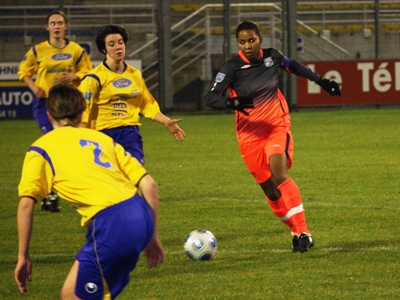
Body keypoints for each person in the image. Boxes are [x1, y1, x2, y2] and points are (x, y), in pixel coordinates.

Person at [15, 83, 166, 299]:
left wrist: (22, 256)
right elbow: (149, 185)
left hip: (112, 224)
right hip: (140, 213)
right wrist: (151, 235)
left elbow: (26, 204)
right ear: (81, 113)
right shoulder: (103, 139)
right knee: (71, 294)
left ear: (49, 115)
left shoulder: (41, 148)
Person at [204, 20, 341, 253]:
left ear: (260, 39)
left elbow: (295, 66)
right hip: (249, 136)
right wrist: (231, 102)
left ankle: (304, 232)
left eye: (251, 40)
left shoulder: (272, 57)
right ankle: (295, 231)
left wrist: (321, 81)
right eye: (242, 42)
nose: (247, 45)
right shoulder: (231, 67)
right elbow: (210, 98)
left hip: (276, 126)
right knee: (270, 191)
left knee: (279, 172)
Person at [18, 10, 93, 212]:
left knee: (68, 145)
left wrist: (75, 76)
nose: (57, 26)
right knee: (53, 143)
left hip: (68, 102)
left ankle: (63, 191)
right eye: (53, 23)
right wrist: (33, 87)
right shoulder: (37, 50)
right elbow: (24, 71)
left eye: (60, 23)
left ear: (66, 26)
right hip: (45, 103)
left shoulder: (77, 50)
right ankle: (50, 194)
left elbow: (88, 71)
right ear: (47, 27)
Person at [79, 24, 185, 165]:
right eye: (111, 44)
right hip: (102, 134)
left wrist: (166, 121)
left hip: (129, 132)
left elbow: (147, 103)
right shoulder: (94, 78)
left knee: (135, 174)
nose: (118, 47)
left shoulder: (135, 75)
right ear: (104, 49)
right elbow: (81, 107)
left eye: (120, 42)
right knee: (108, 180)